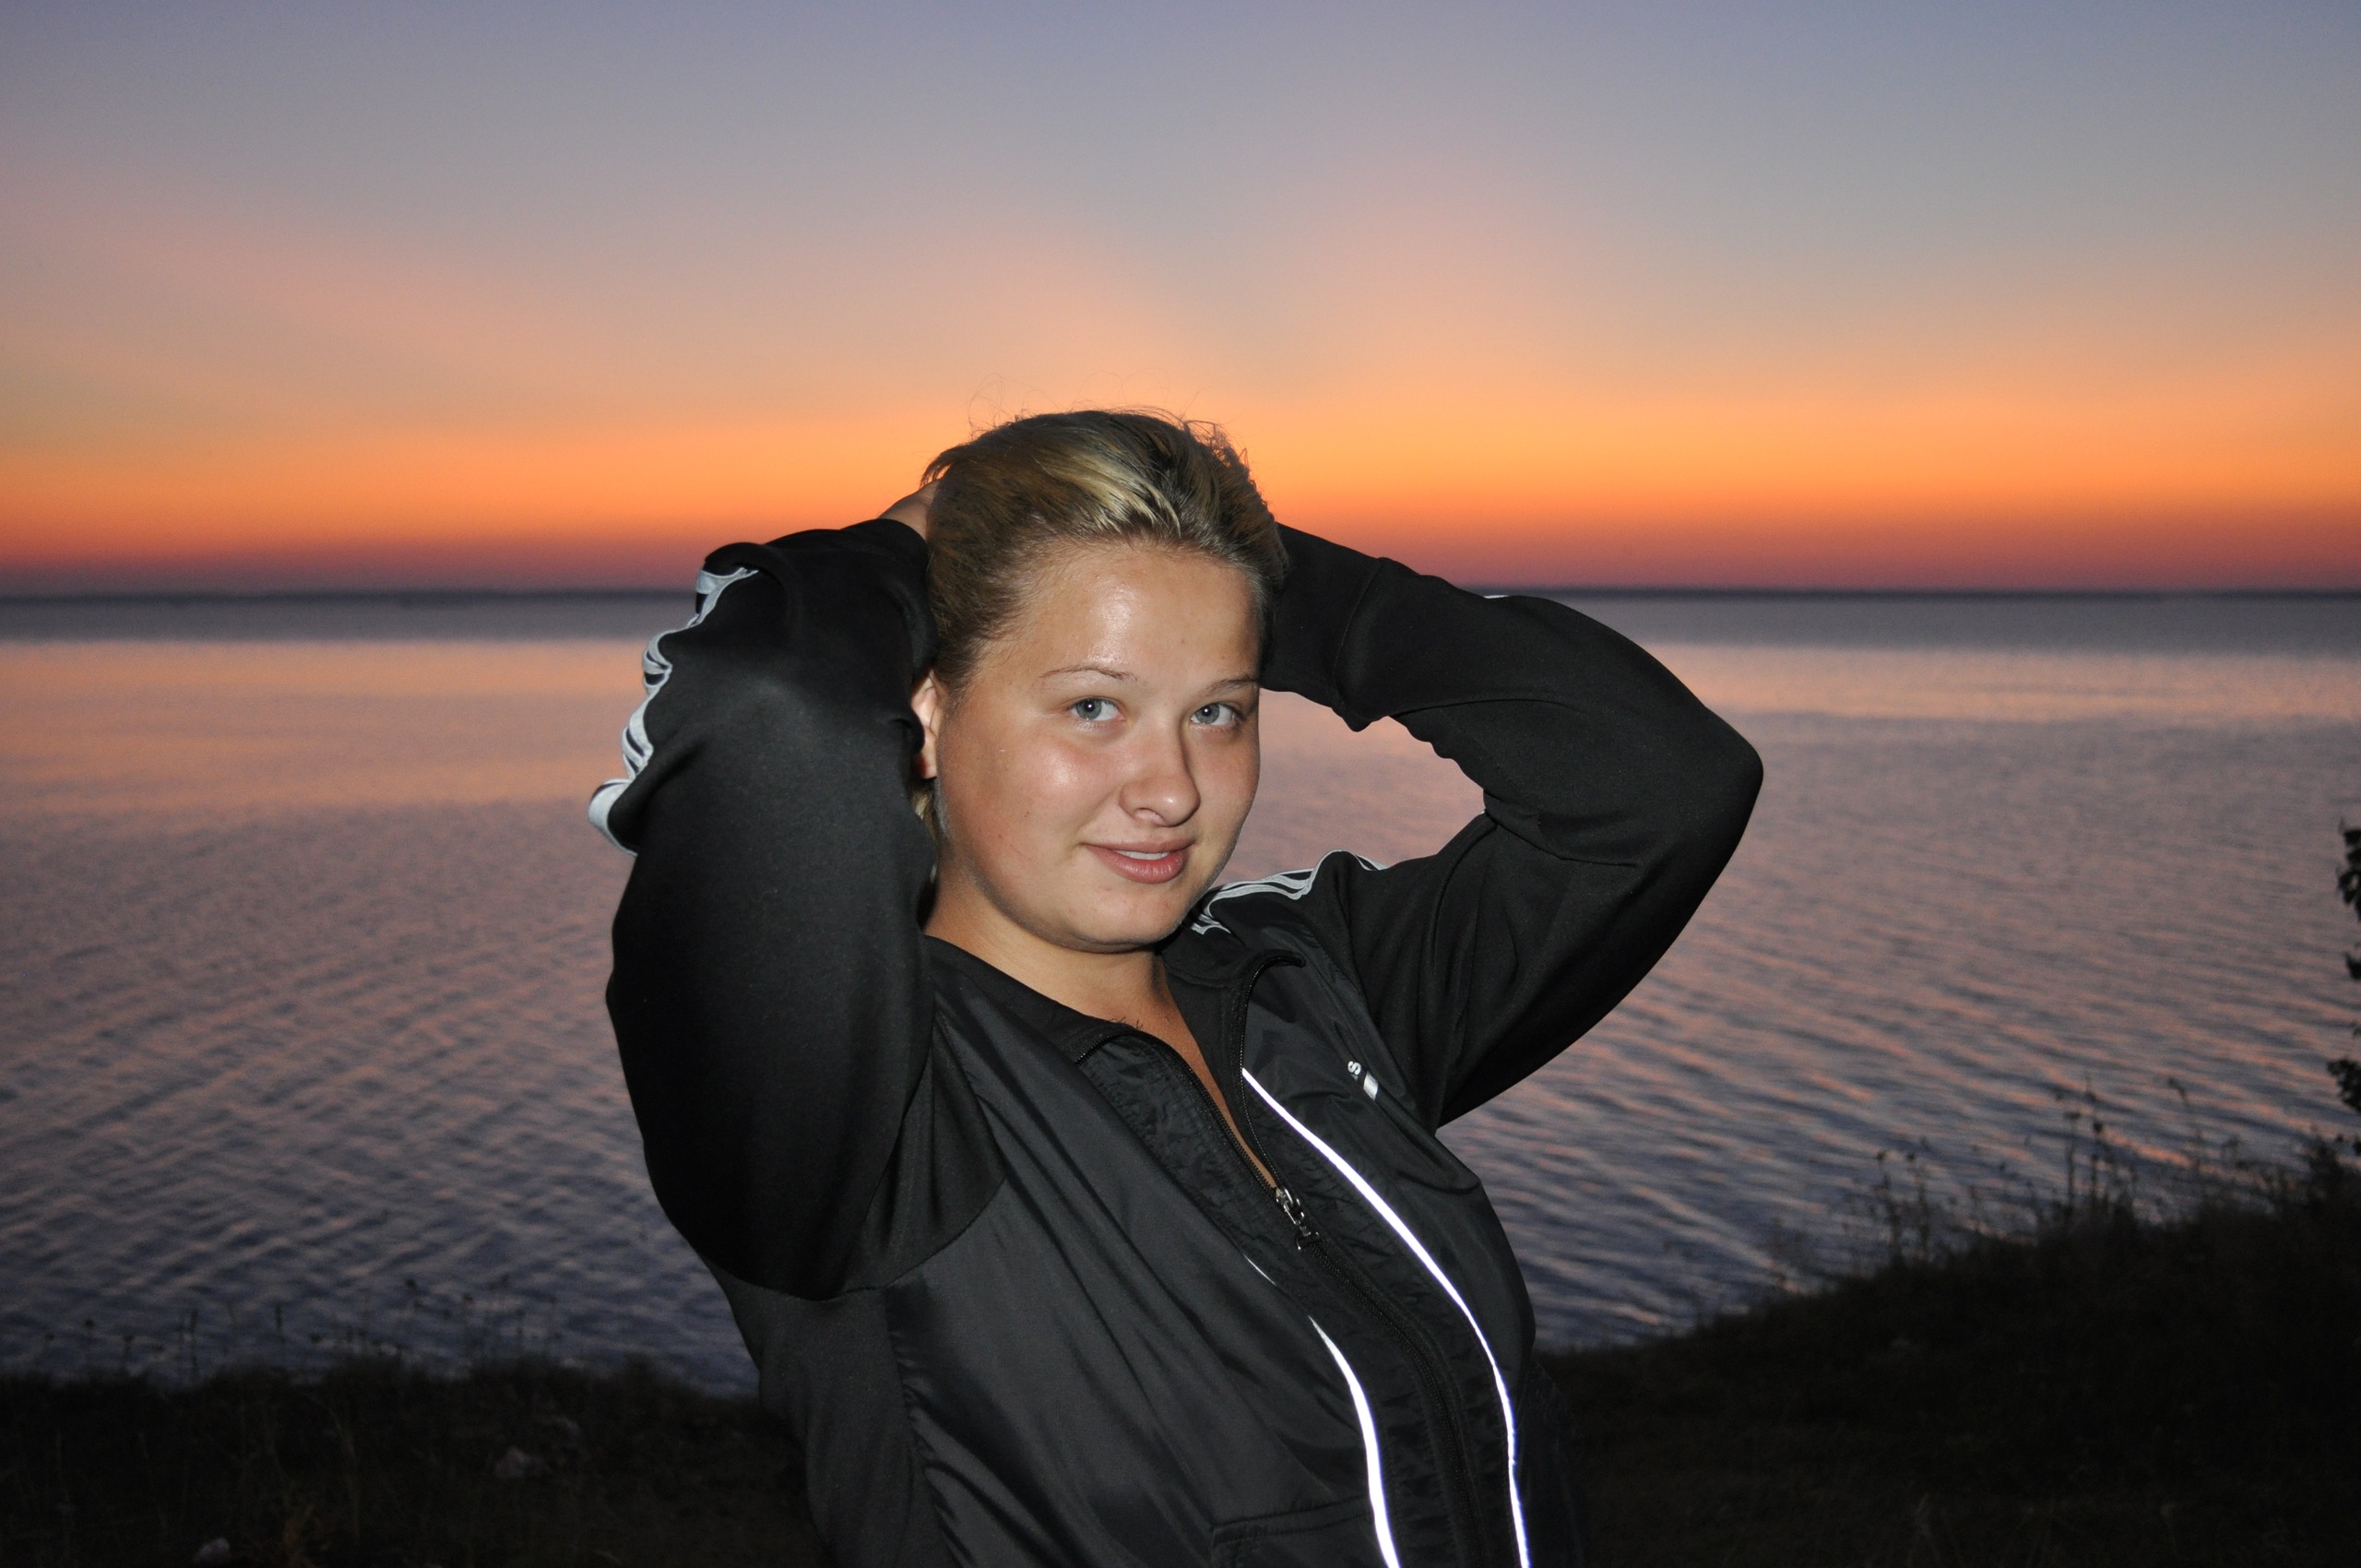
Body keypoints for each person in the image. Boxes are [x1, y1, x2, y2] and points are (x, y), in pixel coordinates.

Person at [591, 410, 1761, 1568]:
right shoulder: (851, 1110)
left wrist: (1254, 582)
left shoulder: (1310, 982)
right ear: (927, 715)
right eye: (1092, 706)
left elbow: (1661, 782)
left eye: (1218, 710)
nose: (1171, 788)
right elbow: (769, 710)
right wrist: (913, 536)